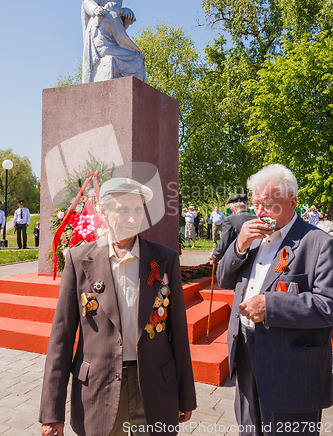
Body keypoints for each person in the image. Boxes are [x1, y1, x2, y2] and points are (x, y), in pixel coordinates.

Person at [39, 177, 196, 436]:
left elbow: (178, 333)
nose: (133, 218)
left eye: (137, 209)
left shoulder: (165, 260)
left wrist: (186, 395)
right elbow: (62, 338)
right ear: (103, 211)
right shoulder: (79, 260)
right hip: (97, 390)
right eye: (123, 209)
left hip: (155, 389)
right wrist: (52, 411)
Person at [217, 164, 333, 436]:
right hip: (246, 357)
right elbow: (223, 280)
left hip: (290, 369)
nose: (259, 212)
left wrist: (271, 306)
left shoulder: (318, 243)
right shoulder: (253, 238)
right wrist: (239, 246)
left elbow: (328, 304)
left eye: (268, 204)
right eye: (256, 203)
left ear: (292, 201)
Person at [82, 0, 146, 83]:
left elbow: (117, 24)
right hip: (100, 35)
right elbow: (88, 2)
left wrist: (126, 21)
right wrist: (95, 9)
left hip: (114, 38)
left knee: (138, 60)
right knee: (113, 59)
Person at [209, 193, 256, 263]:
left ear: (232, 208)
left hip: (238, 262)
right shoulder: (256, 219)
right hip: (256, 260)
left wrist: (214, 255)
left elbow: (224, 245)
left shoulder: (229, 220)